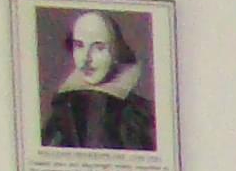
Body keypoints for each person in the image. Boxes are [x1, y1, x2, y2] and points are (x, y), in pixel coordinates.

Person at [42, 11, 157, 152]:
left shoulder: (134, 113)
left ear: (116, 52)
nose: (86, 59)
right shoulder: (63, 106)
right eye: (79, 45)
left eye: (99, 48)